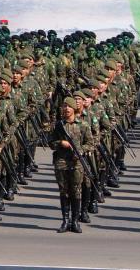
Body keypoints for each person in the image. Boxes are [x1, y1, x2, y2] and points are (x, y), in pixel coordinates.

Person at [49, 97, 94, 233]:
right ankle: (65, 220)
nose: (67, 109)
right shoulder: (59, 125)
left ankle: (75, 221)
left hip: (76, 163)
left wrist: (79, 151)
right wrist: (60, 143)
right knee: (64, 191)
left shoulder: (83, 125)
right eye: (64, 106)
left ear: (74, 108)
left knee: (76, 191)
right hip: (61, 162)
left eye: (69, 106)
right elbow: (50, 143)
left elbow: (90, 143)